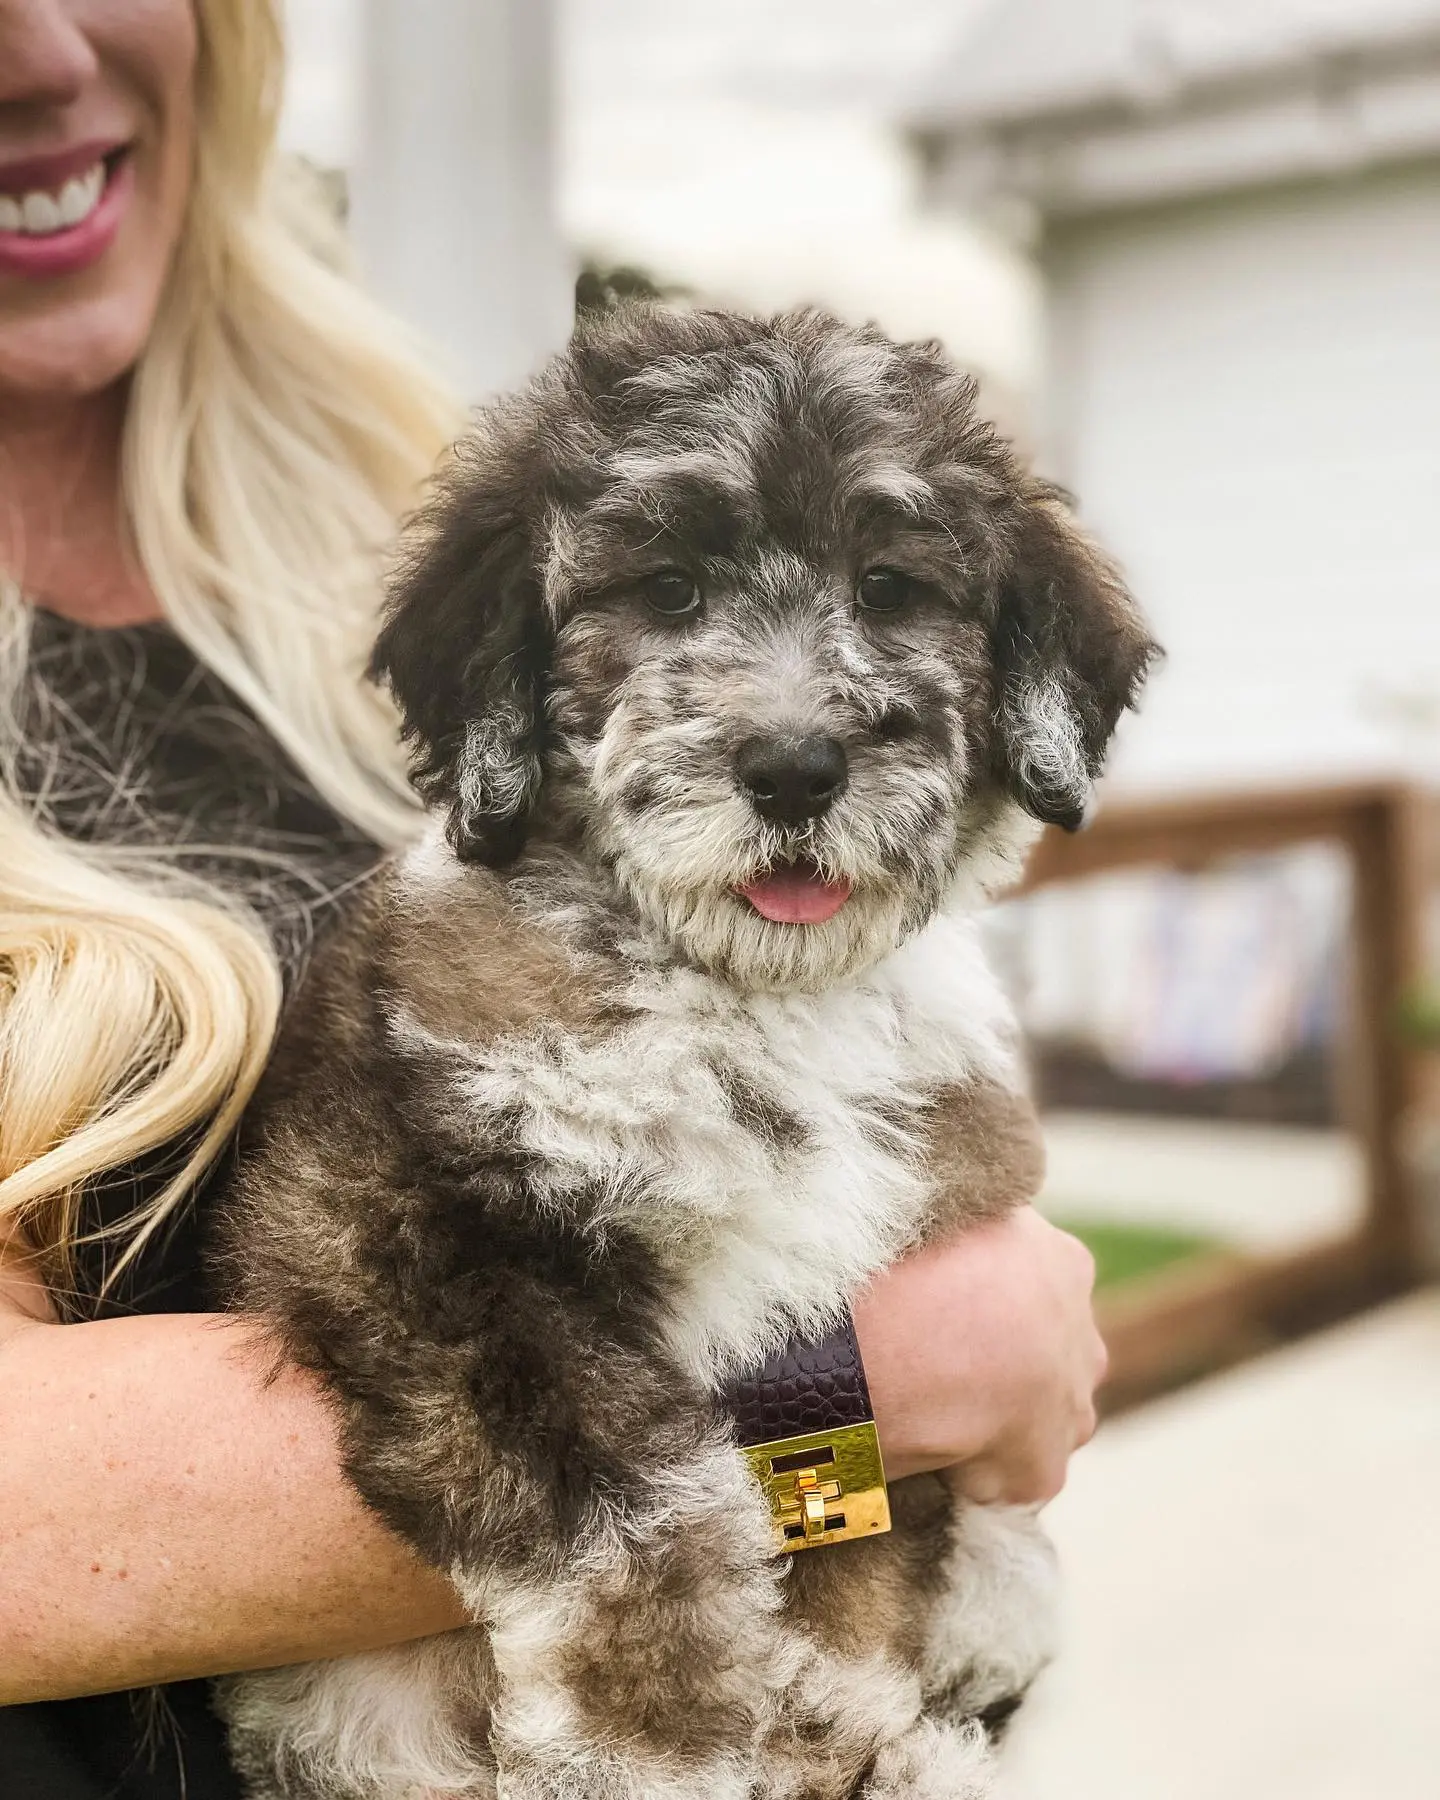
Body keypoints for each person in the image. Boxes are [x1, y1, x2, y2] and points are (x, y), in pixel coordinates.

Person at [0, 3, 1108, 1796]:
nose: (38, 53)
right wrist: (871, 1388)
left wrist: (860, 1462)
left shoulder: (381, 478)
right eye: (669, 606)